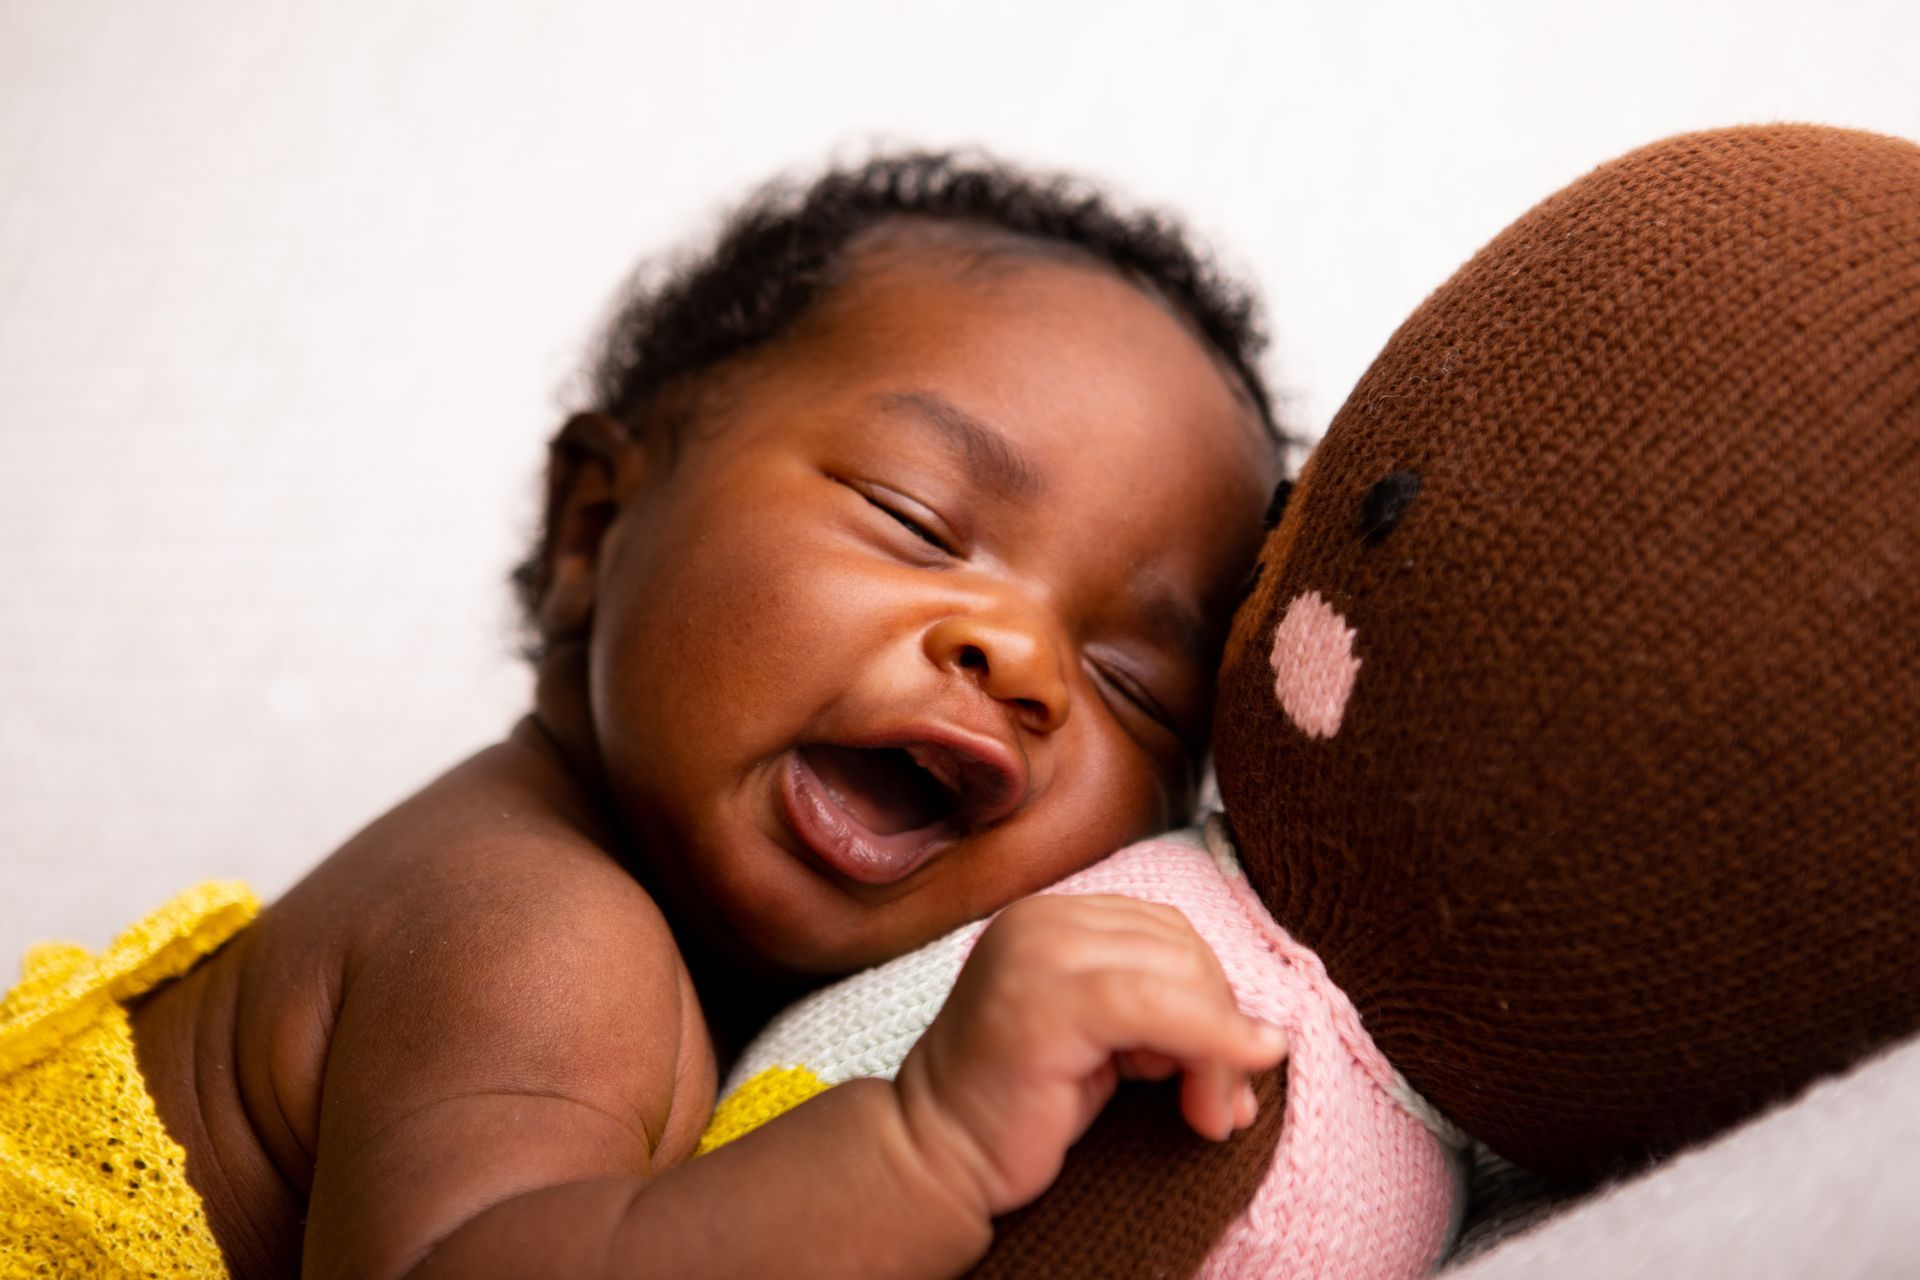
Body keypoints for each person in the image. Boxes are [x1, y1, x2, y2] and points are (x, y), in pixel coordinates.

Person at [0, 153, 1290, 1279]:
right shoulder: (536, 932)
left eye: (1134, 684)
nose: (1020, 658)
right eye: (914, 518)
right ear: (594, 527)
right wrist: (930, 1147)